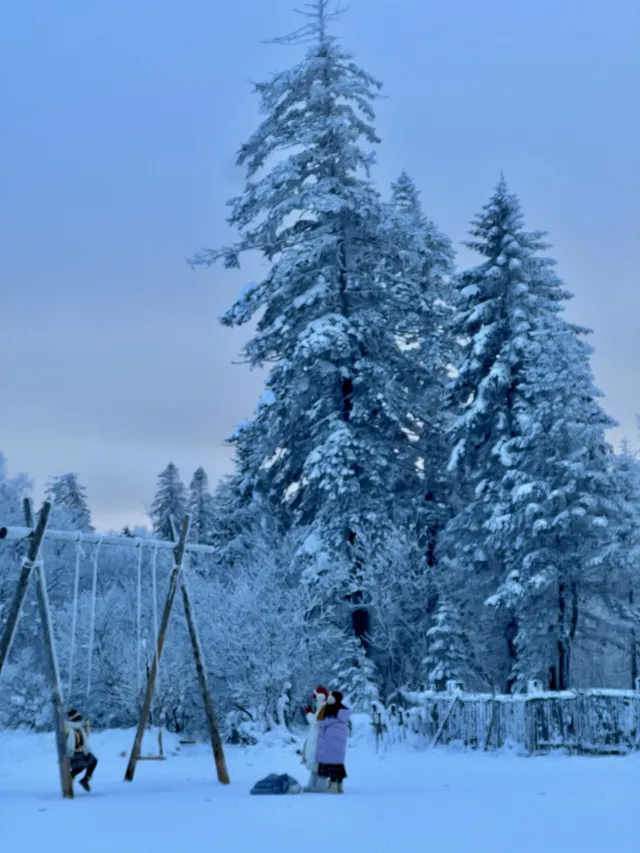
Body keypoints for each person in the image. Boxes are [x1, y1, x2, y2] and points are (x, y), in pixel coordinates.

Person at [317, 691, 351, 794]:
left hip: (331, 739)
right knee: (338, 763)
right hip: (340, 740)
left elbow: (321, 722)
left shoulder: (331, 710)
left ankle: (332, 786)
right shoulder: (343, 710)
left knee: (331, 763)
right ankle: (339, 786)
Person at [301, 686, 329, 793]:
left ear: (321, 697)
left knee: (320, 763)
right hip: (316, 739)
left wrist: (308, 713)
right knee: (314, 763)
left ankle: (320, 786)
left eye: (316, 696)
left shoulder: (325, 708)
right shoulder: (321, 708)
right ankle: (312, 784)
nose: (315, 698)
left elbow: (316, 722)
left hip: (320, 740)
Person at [65, 709, 98, 792]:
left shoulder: (79, 728)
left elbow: (86, 736)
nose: (80, 719)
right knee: (80, 766)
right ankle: (69, 780)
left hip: (82, 752)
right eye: (78, 718)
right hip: (72, 753)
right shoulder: (68, 727)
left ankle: (85, 779)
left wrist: (87, 726)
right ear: (74, 719)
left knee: (93, 761)